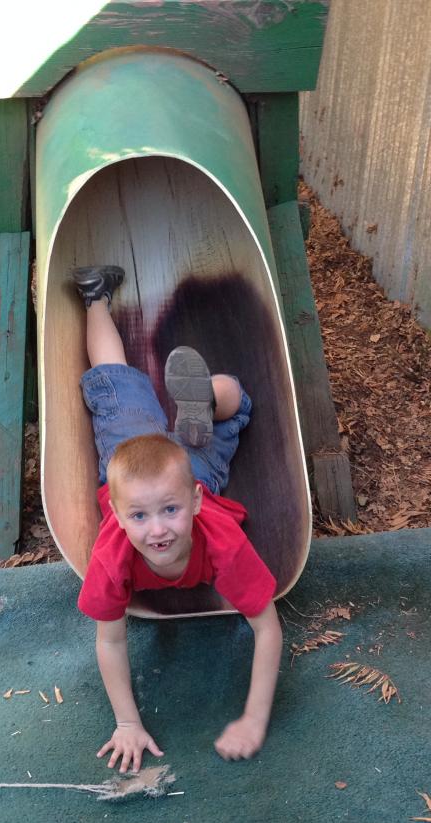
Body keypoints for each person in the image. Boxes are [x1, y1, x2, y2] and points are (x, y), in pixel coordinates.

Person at [72, 264, 282, 773]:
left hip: (183, 465)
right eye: (140, 519)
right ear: (116, 516)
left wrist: (255, 719)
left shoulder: (218, 536)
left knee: (225, 403)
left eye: (171, 512)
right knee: (127, 384)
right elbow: (109, 639)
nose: (158, 529)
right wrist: (127, 722)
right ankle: (96, 298)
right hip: (137, 465)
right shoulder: (113, 551)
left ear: (196, 504)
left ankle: (203, 394)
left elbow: (268, 627)